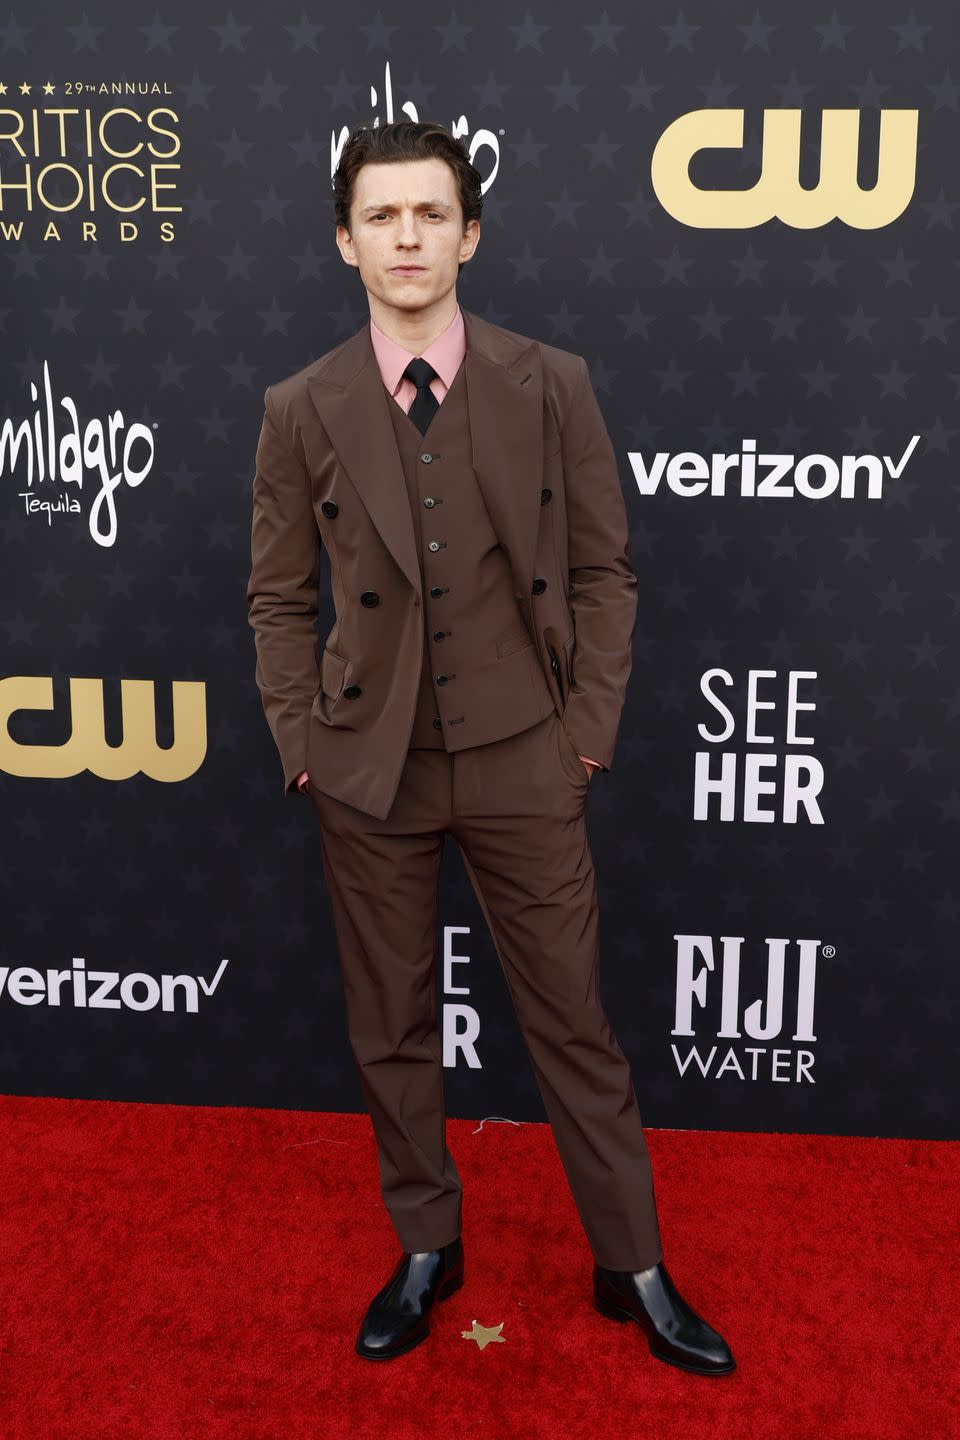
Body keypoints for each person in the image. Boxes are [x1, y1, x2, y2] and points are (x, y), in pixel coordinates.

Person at [246, 119, 735, 1375]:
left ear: (471, 234)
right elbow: (277, 598)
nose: (407, 237)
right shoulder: (300, 409)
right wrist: (303, 740)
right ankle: (427, 1245)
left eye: (430, 215)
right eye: (381, 217)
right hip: (367, 765)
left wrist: (584, 736)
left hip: (527, 752)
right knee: (392, 1023)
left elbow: (605, 572)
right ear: (344, 241)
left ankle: (631, 1263)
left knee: (574, 1021)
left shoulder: (551, 381)